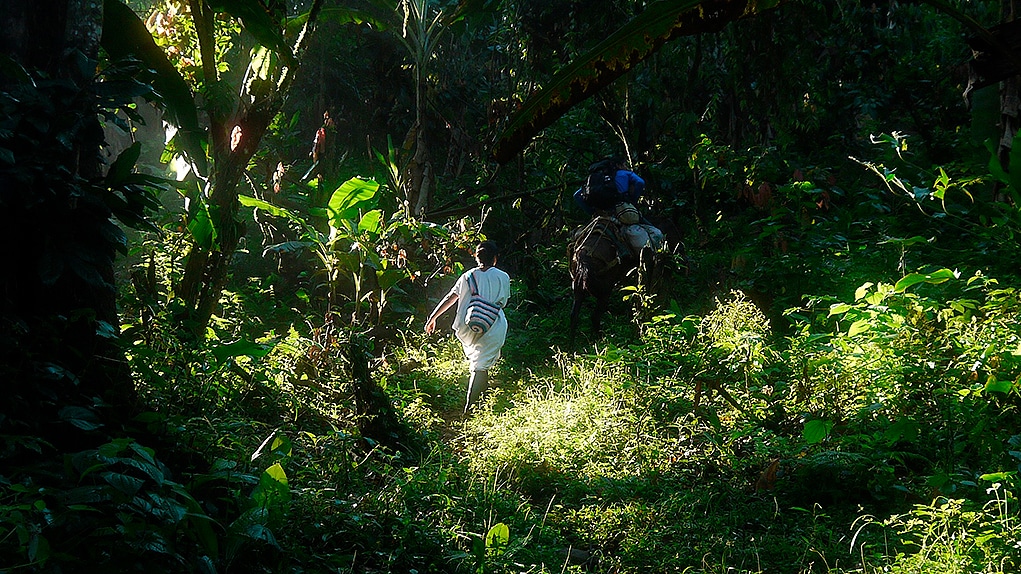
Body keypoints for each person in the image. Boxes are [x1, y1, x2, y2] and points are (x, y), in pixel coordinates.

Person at [425, 241, 511, 413]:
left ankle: (479, 405)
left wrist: (432, 318)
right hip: (494, 324)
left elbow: (450, 297)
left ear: (476, 257)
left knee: (480, 365)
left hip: (470, 325)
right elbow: (504, 301)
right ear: (495, 258)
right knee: (481, 366)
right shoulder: (503, 276)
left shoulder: (467, 276)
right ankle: (470, 408)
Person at [573, 156, 646, 215]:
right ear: (618, 165)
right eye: (625, 164)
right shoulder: (625, 173)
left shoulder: (596, 179)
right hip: (623, 208)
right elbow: (640, 182)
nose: (627, 167)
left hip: (601, 211)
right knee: (650, 228)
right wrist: (633, 201)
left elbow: (576, 195)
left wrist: (592, 213)